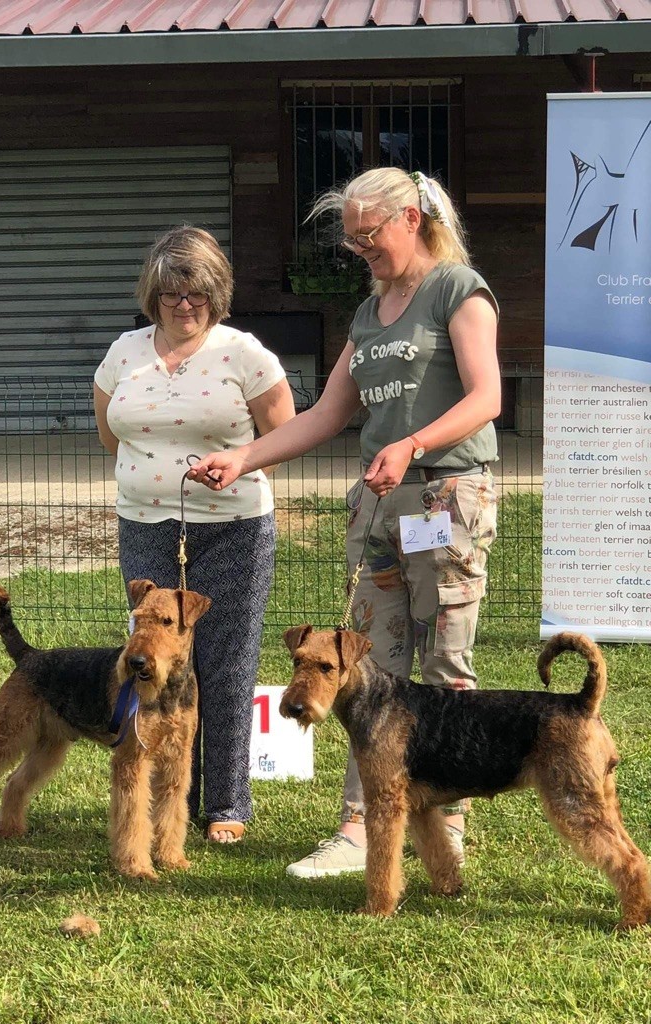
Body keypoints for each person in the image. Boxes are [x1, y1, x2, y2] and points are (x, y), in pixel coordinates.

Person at [188, 168, 500, 875]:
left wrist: (414, 443)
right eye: (353, 241)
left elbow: (487, 397)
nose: (362, 251)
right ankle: (360, 827)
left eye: (371, 235)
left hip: (444, 497)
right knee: (367, 669)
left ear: (411, 219)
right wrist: (244, 458)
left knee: (445, 665)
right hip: (380, 505)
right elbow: (328, 416)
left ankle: (444, 825)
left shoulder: (459, 290)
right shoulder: (368, 315)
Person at [94, 225, 295, 844]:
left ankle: (226, 803)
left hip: (232, 529)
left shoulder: (246, 354)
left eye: (198, 293)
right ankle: (158, 793)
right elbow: (111, 434)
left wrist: (235, 463)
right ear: (151, 296)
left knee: (226, 663)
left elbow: (280, 437)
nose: (185, 304)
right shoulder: (124, 353)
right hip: (145, 524)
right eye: (171, 294)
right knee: (151, 663)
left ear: (217, 295)